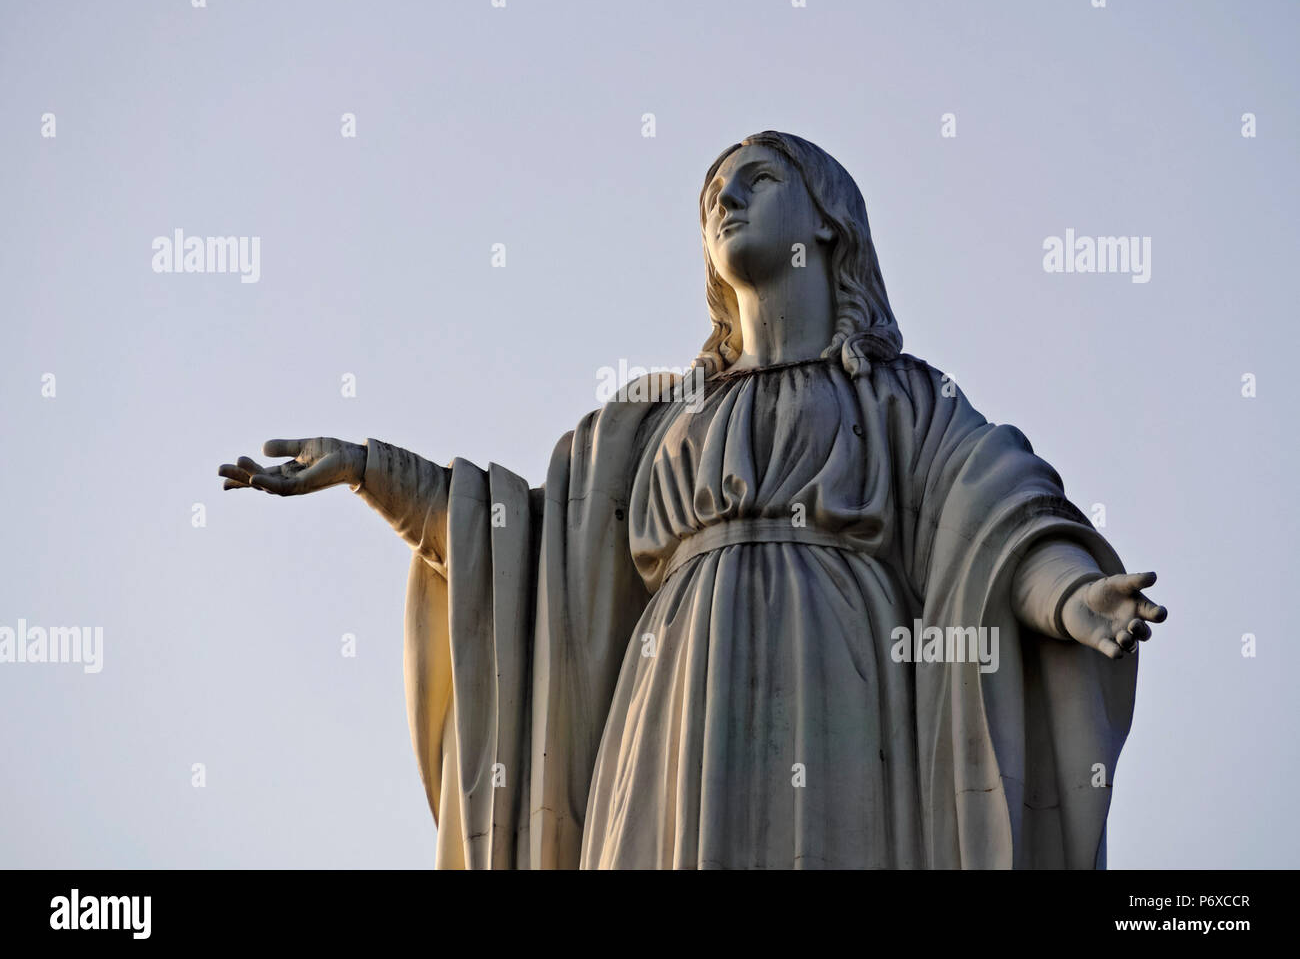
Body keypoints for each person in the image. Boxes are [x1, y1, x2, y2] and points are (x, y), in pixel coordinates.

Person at [219, 131, 1166, 869]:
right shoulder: (654, 419)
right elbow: (521, 542)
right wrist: (368, 468)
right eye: (713, 192)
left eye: (757, 179)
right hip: (669, 688)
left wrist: (1071, 595)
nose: (726, 198)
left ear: (827, 223)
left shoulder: (901, 396)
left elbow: (994, 513)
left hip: (841, 674)